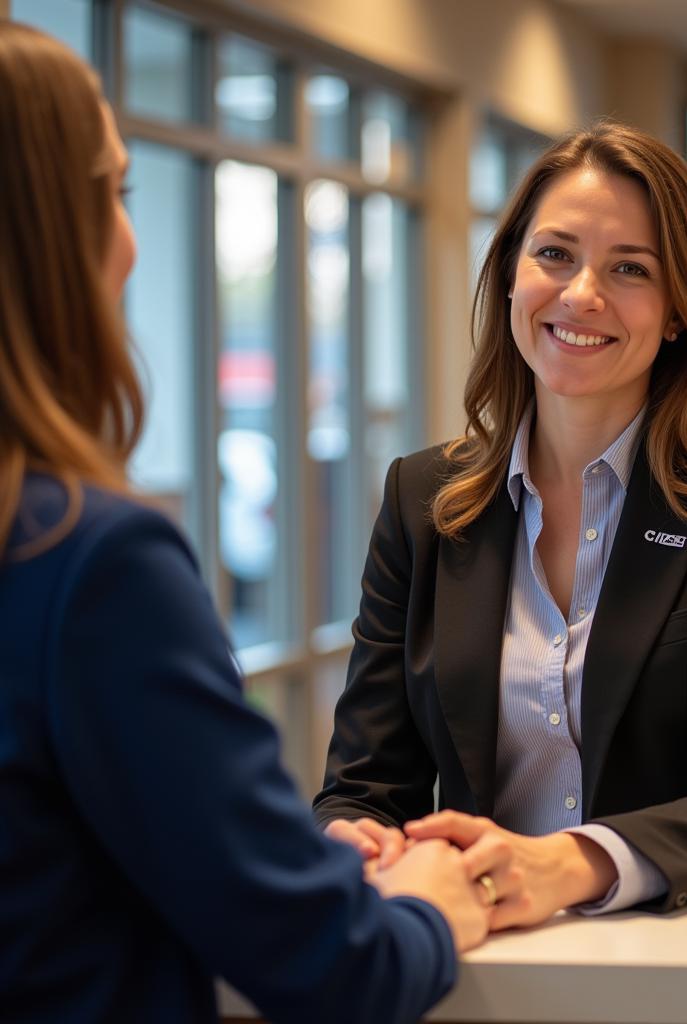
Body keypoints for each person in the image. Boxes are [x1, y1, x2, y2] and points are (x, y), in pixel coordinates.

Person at [0, 22, 491, 1023]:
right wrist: (431, 906)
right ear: (59, 233)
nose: (132, 239)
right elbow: (330, 966)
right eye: (119, 193)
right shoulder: (88, 562)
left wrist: (279, 855)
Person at [314, 121, 687, 924]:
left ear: (676, 312)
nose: (581, 294)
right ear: (511, 277)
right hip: (495, 946)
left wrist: (567, 865)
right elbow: (364, 784)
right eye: (554, 254)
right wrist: (362, 843)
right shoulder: (422, 499)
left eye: (630, 268)